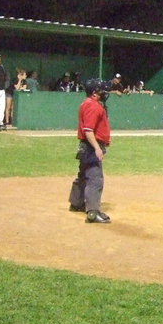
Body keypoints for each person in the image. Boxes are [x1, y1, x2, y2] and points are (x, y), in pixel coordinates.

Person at [68, 78, 112, 223]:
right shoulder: (93, 106)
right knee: (95, 178)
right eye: (101, 90)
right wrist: (97, 148)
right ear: (94, 93)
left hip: (86, 146)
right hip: (91, 146)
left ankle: (77, 203)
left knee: (83, 175)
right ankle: (93, 212)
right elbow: (88, 130)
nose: (104, 92)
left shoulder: (87, 103)